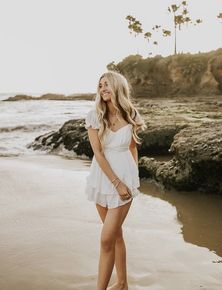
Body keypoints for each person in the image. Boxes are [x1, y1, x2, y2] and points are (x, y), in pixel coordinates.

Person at [84, 71, 146, 290]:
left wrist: (130, 179)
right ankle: (122, 283)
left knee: (106, 239)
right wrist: (115, 182)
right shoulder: (95, 116)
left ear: (118, 86)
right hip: (102, 178)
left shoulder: (132, 114)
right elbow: (98, 154)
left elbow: (132, 148)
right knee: (115, 234)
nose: (103, 89)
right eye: (100, 85)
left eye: (107, 84)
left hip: (125, 181)